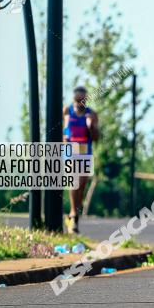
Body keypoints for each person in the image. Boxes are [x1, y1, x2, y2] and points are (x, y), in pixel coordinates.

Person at [63, 86, 99, 233]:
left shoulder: (92, 114)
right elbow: (63, 130)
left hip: (85, 151)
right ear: (73, 99)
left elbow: (96, 138)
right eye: (77, 99)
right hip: (71, 150)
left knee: (82, 185)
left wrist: (91, 127)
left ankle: (75, 213)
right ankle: (73, 213)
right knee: (74, 180)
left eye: (82, 100)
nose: (79, 103)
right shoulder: (67, 111)